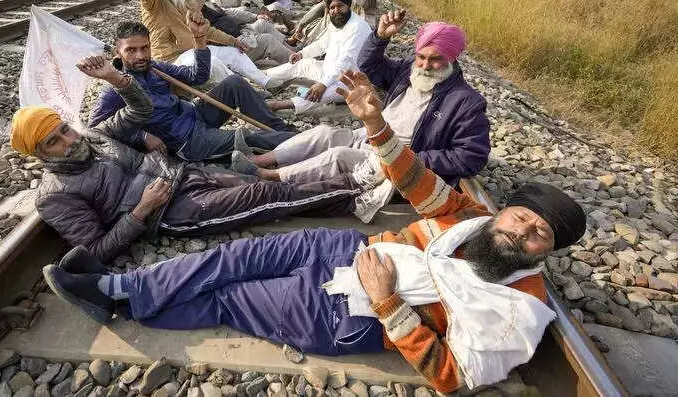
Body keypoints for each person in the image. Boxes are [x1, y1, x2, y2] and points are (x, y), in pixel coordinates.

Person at [42, 68, 587, 394]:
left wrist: (389, 305)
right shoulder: (471, 216)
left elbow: (452, 376)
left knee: (231, 299)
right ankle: (115, 290)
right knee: (228, 260)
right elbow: (416, 180)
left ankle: (127, 304)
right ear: (505, 212)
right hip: (346, 248)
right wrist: (374, 124)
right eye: (521, 218)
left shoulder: (522, 306)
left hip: (352, 311)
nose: (520, 233)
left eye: (538, 235)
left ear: (547, 251)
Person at [15, 52, 369, 264]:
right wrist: (140, 211)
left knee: (262, 181)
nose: (69, 138)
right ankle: (357, 188)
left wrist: (115, 78)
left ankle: (345, 191)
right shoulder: (53, 196)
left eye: (64, 128)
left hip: (183, 174)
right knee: (262, 196)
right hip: (170, 213)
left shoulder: (92, 135)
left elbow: (141, 108)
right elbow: (94, 250)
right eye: (54, 141)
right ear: (40, 154)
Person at [232, 11, 491, 223]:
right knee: (325, 133)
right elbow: (369, 66)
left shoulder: (466, 102)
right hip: (371, 135)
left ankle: (268, 176)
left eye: (435, 60)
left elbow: (470, 158)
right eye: (421, 57)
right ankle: (259, 158)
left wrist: (409, 158)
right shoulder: (408, 71)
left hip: (398, 161)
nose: (424, 65)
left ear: (452, 59)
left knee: (338, 156)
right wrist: (380, 37)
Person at [90, 18, 298, 163]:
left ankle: (285, 132)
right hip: (187, 141)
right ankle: (305, 143)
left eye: (145, 48)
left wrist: (200, 41)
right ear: (118, 52)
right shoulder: (114, 89)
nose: (140, 56)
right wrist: (141, 137)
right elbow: (94, 131)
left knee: (235, 83)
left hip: (195, 114)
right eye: (131, 50)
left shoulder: (156, 68)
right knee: (245, 136)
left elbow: (196, 76)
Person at [130, 0, 283, 89]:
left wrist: (234, 41)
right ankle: (247, 92)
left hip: (192, 51)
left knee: (235, 53)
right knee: (213, 63)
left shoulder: (184, 0)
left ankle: (266, 82)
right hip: (170, 61)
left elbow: (206, 31)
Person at [264, 0, 372, 114]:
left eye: (340, 6)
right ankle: (263, 77)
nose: (336, 10)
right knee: (302, 64)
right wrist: (301, 54)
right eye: (332, 7)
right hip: (329, 71)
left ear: (348, 5)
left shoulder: (358, 27)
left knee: (319, 93)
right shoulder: (336, 22)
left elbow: (346, 60)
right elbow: (322, 44)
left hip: (350, 82)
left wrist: (323, 84)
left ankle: (278, 105)